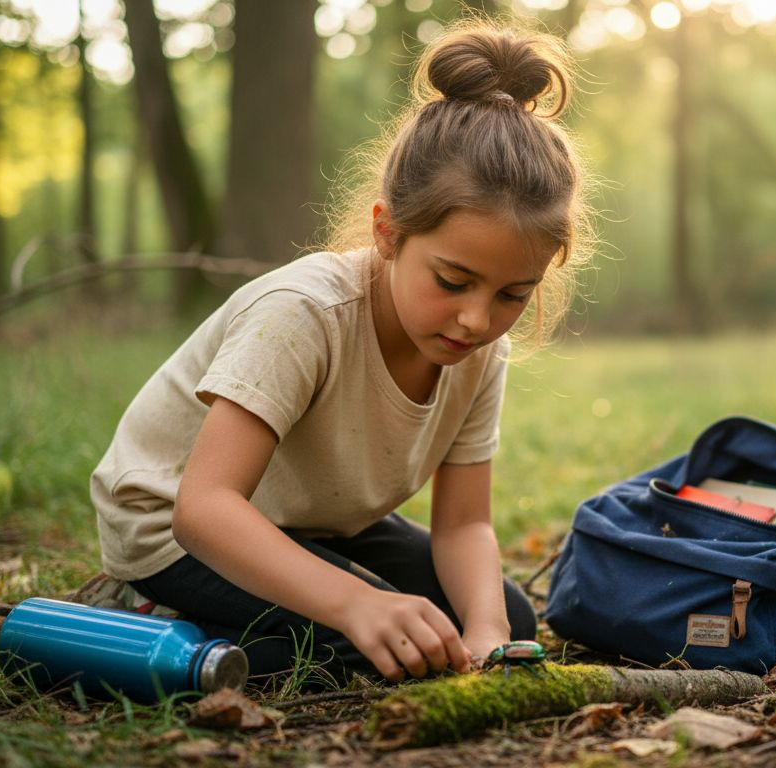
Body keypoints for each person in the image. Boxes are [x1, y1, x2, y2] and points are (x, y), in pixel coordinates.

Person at [89, 19, 594, 688]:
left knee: (503, 619)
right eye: (452, 281)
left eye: (512, 294)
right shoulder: (305, 315)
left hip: (311, 525)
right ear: (388, 234)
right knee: (378, 644)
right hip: (174, 531)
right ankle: (144, 625)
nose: (477, 318)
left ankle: (272, 623)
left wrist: (488, 635)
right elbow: (204, 508)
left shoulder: (475, 350)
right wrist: (358, 603)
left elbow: (465, 523)